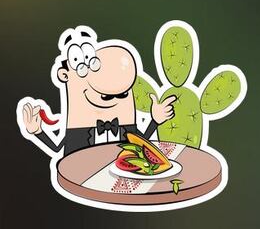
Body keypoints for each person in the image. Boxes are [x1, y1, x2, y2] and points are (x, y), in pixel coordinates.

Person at [19, 26, 176, 156]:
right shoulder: (77, 131)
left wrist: (155, 120)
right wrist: (37, 131)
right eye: (105, 96)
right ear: (65, 75)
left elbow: (142, 143)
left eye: (122, 95)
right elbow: (57, 148)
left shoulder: (126, 127)